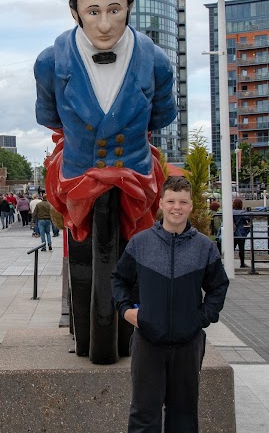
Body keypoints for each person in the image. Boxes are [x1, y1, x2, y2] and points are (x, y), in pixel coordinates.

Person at [34, 0, 177, 362]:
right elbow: (49, 116)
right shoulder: (50, 63)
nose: (104, 24)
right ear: (75, 12)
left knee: (134, 257)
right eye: (93, 11)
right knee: (82, 258)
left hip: (135, 182)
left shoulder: (156, 61)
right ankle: (85, 336)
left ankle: (129, 338)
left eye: (114, 10)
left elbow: (162, 115)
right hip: (79, 179)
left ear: (129, 6)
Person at [111, 176, 229, 432]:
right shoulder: (140, 244)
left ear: (191, 206)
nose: (177, 207)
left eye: (183, 202)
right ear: (161, 204)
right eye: (171, 201)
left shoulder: (204, 247)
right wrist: (127, 311)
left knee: (184, 415)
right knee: (143, 414)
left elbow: (218, 286)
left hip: (188, 344)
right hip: (148, 341)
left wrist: (200, 318)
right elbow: (119, 279)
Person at [233, 197, 251, 268]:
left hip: (233, 232)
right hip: (241, 232)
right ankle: (242, 263)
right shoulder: (243, 212)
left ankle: (229, 263)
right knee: (241, 248)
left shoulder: (230, 212)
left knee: (232, 248)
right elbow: (248, 218)